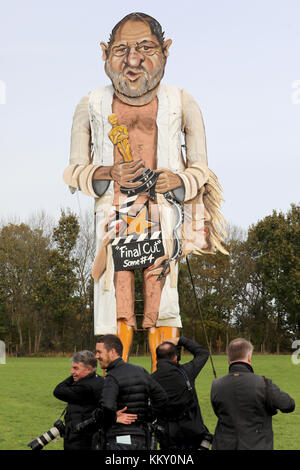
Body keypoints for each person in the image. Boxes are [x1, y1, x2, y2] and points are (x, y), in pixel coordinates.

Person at [63, 12, 228, 370]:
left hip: (162, 209)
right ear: (105, 53)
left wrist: (179, 180)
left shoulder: (183, 102)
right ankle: (114, 378)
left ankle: (164, 375)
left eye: (146, 48)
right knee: (110, 292)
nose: (133, 61)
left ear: (166, 51)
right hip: (112, 212)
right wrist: (107, 171)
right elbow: (73, 170)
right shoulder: (89, 104)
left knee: (164, 291)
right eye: (122, 50)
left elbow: (201, 167)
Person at [210, 338, 296, 450]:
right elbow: (289, 404)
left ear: (228, 359)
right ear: (249, 358)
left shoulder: (216, 384)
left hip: (223, 445)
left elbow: (218, 410)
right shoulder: (264, 384)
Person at [95, 334, 168, 450]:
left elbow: (107, 406)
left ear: (112, 352)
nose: (96, 356)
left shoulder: (112, 376)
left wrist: (113, 418)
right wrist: (147, 416)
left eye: (99, 352)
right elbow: (162, 398)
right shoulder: (141, 371)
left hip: (120, 438)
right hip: (142, 437)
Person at [53, 350, 136, 450]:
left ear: (89, 369)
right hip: (90, 437)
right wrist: (78, 374)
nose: (71, 372)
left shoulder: (85, 387)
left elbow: (58, 391)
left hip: (81, 440)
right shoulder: (101, 381)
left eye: (76, 368)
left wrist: (112, 418)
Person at [151, 336, 211, 450]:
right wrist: (181, 340)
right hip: (192, 431)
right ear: (175, 358)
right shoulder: (187, 371)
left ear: (156, 358)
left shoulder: (150, 379)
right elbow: (202, 353)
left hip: (167, 435)